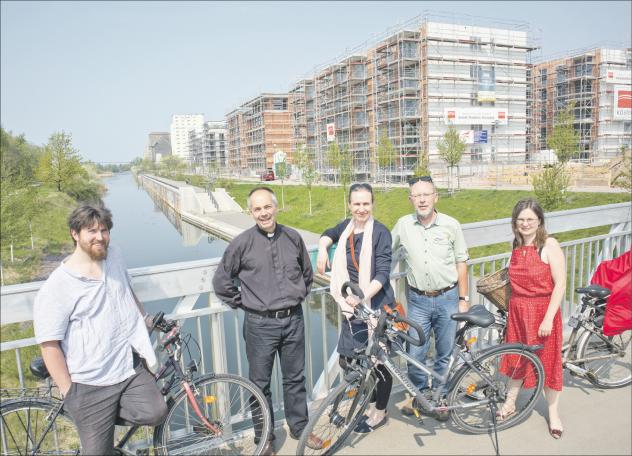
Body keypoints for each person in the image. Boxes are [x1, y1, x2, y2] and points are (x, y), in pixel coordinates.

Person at [33, 203, 168, 455]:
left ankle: (105, 421)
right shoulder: (58, 286)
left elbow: (126, 292)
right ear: (75, 234)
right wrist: (70, 393)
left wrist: (145, 319)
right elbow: (49, 344)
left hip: (127, 369)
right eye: (91, 231)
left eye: (104, 230)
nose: (100, 237)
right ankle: (97, 426)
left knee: (157, 411)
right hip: (89, 383)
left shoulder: (114, 255)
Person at [212, 187, 322, 455]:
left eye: (267, 207)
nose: (263, 213)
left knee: (295, 379)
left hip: (293, 320)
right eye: (257, 209)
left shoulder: (293, 237)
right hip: (259, 325)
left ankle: (300, 428)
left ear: (276, 207)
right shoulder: (241, 243)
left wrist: (295, 298)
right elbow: (222, 282)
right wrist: (248, 304)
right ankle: (265, 438)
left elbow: (307, 275)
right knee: (259, 385)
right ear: (251, 212)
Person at [316, 183, 395, 433]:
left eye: (366, 204)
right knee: (349, 359)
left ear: (372, 204)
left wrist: (361, 296)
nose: (361, 209)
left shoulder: (381, 232)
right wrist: (321, 248)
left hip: (375, 307)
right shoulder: (346, 227)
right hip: (354, 310)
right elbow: (329, 232)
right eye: (357, 204)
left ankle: (379, 411)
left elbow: (383, 272)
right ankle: (369, 402)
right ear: (349, 205)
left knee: (379, 362)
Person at [391, 175, 469, 417]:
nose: (422, 200)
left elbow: (461, 262)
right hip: (417, 301)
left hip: (448, 298)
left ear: (436, 197)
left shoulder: (451, 225)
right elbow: (383, 250)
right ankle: (421, 397)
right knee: (415, 353)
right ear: (410, 199)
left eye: (427, 194)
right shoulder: (403, 225)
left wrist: (464, 299)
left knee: (444, 352)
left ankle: (442, 398)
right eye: (417, 195)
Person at [499, 198, 565, 439]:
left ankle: (554, 413)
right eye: (521, 219)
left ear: (539, 221)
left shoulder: (549, 245)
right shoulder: (515, 246)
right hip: (518, 313)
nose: (525, 223)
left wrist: (548, 319)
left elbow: (560, 285)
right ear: (514, 223)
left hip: (542, 313)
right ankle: (510, 403)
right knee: (517, 359)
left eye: (530, 219)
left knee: (548, 363)